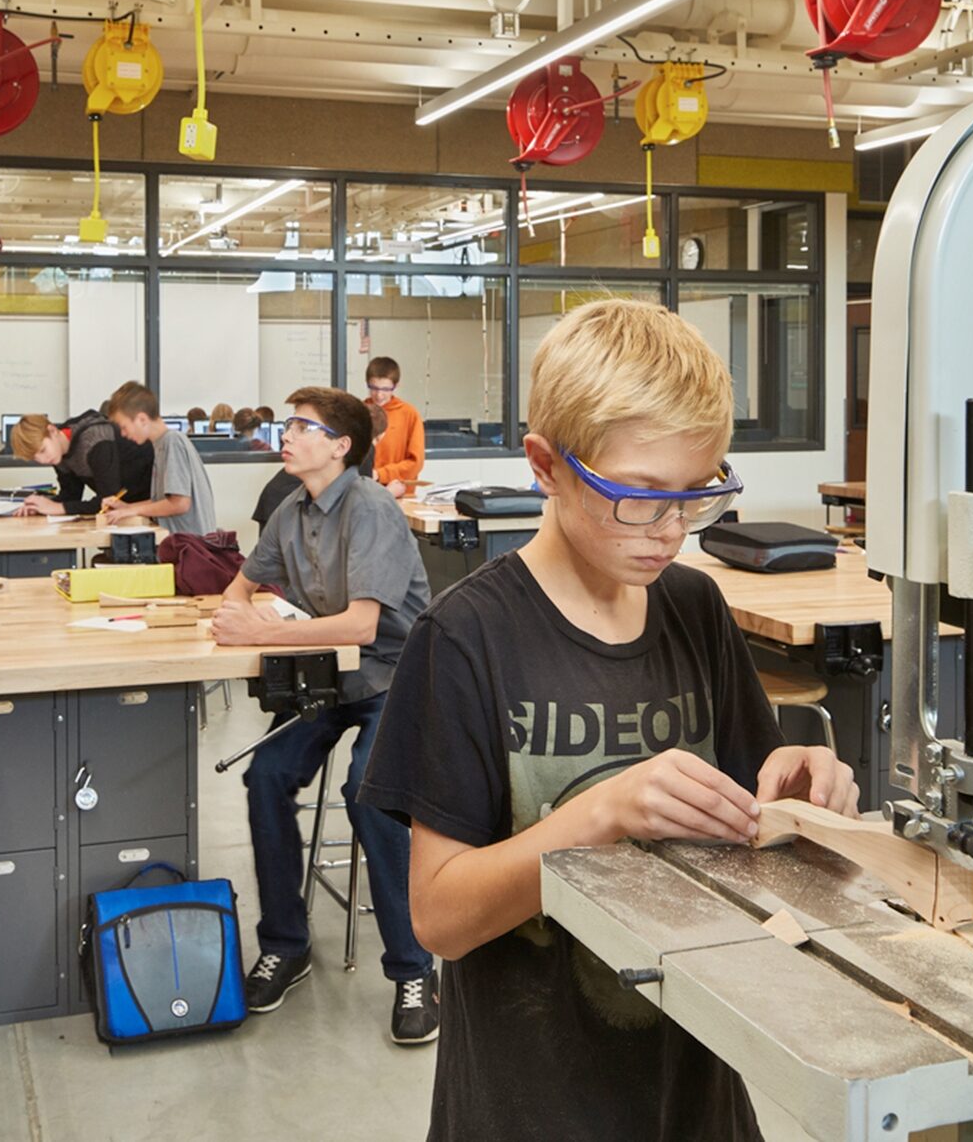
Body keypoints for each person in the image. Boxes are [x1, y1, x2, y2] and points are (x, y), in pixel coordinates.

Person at [358, 300, 859, 1140]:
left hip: (692, 1090)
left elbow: (754, 837)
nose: (669, 530)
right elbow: (440, 916)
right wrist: (596, 817)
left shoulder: (696, 609)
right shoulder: (468, 638)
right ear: (546, 466)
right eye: (639, 496)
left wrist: (801, 803)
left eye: (695, 497)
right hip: (534, 1103)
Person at [212, 386, 439, 1043]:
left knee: (370, 791)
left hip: (395, 678)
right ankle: (286, 943)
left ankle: (412, 969)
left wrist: (256, 633)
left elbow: (365, 627)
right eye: (288, 424)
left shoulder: (369, 509)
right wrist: (237, 610)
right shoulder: (290, 509)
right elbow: (239, 586)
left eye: (302, 426)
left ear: (340, 446)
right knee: (265, 778)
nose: (287, 434)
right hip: (329, 677)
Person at [106, 382, 218, 535]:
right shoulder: (159, 445)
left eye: (124, 427)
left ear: (142, 419)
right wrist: (127, 508)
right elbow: (162, 501)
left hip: (192, 550)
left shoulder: (172, 442)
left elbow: (180, 503)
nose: (123, 434)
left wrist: (133, 511)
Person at [7, 410, 153, 516]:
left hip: (151, 503)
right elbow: (71, 496)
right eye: (35, 458)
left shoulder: (96, 440)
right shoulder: (58, 451)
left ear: (52, 430)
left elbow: (109, 501)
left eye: (43, 450)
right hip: (127, 508)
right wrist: (40, 506)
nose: (43, 460)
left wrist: (57, 508)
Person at [362, 356, 424, 491]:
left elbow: (415, 462)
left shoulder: (409, 414)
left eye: (385, 389)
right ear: (367, 383)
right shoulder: (359, 411)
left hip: (400, 494)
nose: (379, 395)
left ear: (396, 386)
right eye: (373, 388)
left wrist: (380, 474)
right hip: (365, 492)